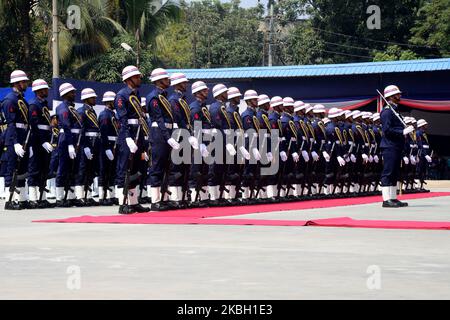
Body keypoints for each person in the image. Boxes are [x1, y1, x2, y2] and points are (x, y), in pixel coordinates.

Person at [114, 65, 150, 214]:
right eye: (136, 77)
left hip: (138, 134)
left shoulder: (136, 94)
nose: (139, 78)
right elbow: (122, 119)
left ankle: (134, 202)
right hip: (128, 135)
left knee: (136, 169)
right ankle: (123, 204)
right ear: (128, 79)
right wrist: (128, 138)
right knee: (124, 169)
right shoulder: (122, 95)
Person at [146, 68, 180, 211]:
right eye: (166, 79)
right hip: (159, 134)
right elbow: (158, 119)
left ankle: (164, 198)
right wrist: (167, 138)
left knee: (167, 167)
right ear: (159, 81)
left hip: (167, 132)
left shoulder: (164, 96)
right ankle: (155, 200)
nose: (169, 81)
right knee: (157, 167)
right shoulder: (154, 97)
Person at [379, 85, 414, 208]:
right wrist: (402, 132)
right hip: (389, 146)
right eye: (397, 94)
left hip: (396, 145)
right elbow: (387, 130)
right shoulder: (387, 111)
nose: (400, 96)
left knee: (394, 172)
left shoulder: (395, 110)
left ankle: (393, 198)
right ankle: (386, 199)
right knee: (388, 172)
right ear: (391, 97)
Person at [3, 70, 30, 210]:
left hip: (22, 136)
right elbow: (11, 123)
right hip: (14, 139)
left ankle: (22, 199)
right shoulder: (10, 100)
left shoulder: (22, 100)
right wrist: (15, 143)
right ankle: (9, 201)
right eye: (23, 81)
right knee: (12, 169)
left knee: (22, 170)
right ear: (16, 83)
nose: (25, 83)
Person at [27, 79, 55, 208]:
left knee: (44, 169)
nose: (47, 91)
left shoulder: (43, 104)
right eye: (45, 89)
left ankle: (42, 198)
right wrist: (43, 141)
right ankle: (33, 199)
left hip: (45, 138)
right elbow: (34, 125)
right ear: (39, 91)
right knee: (34, 169)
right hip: (36, 140)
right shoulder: (34, 104)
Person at [55, 82, 81, 207]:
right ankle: (60, 197)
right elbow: (66, 126)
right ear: (65, 94)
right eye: (72, 92)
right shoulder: (63, 108)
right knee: (63, 167)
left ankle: (70, 196)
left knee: (72, 168)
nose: (74, 94)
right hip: (66, 139)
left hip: (72, 138)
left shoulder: (71, 107)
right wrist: (70, 144)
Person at [98, 91, 118, 206]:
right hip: (107, 145)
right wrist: (106, 148)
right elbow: (103, 132)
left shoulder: (112, 114)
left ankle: (110, 195)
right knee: (104, 171)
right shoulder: (105, 115)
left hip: (113, 144)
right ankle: (102, 196)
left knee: (112, 171)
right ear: (109, 102)